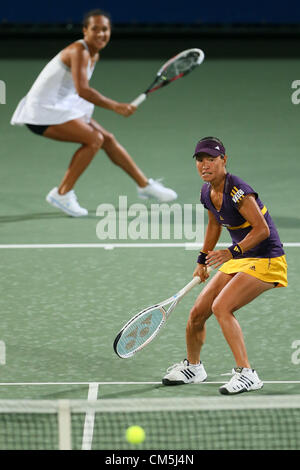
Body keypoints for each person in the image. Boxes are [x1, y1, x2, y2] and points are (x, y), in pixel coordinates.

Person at [10, 9, 177, 217]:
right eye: (95, 29)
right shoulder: (78, 51)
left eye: (104, 29)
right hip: (41, 112)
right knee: (94, 139)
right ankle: (62, 193)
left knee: (107, 138)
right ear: (84, 31)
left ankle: (144, 186)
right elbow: (83, 90)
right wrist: (116, 106)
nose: (100, 34)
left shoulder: (93, 54)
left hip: (61, 105)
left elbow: (76, 91)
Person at [162, 136, 287, 395]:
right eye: (200, 160)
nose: (205, 165)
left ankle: (247, 374)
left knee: (222, 307)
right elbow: (214, 225)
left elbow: (262, 230)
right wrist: (202, 260)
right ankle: (193, 368)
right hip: (241, 258)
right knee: (198, 313)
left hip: (266, 259)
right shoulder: (206, 191)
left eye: (211, 159)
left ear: (224, 160)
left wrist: (232, 251)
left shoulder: (237, 190)